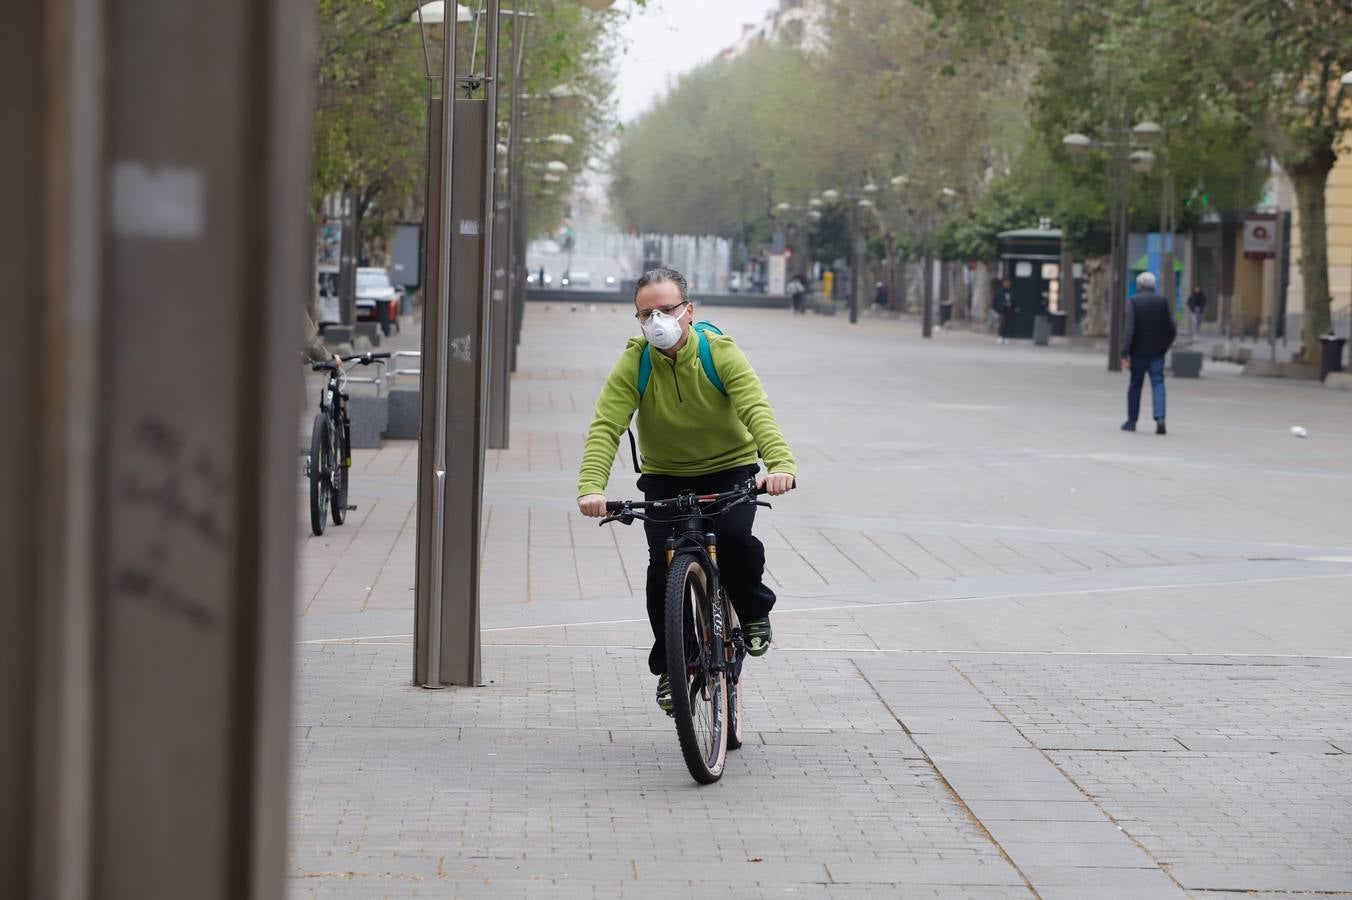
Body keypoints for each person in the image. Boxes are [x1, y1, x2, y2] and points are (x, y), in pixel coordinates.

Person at [577, 267, 797, 712]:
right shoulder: (636, 361)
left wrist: (780, 466)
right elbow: (607, 425)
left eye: (667, 309)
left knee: (736, 542)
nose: (657, 320)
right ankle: (671, 668)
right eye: (646, 313)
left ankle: (754, 611)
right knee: (662, 570)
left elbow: (757, 409)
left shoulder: (719, 353)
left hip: (729, 468)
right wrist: (590, 487)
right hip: (665, 475)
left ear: (689, 311)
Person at [1121, 270, 1177, 435]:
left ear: (1139, 285)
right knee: (1158, 383)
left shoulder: (1133, 302)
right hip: (1157, 353)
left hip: (1138, 353)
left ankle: (1132, 421)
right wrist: (1164, 346)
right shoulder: (1162, 302)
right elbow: (1171, 328)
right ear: (1154, 285)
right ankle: (1160, 417)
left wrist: (1124, 353)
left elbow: (1129, 329)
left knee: (1135, 385)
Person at [994, 278, 1017, 343]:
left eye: (1008, 283)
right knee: (1002, 323)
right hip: (1001, 310)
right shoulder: (999, 291)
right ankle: (1000, 336)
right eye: (1006, 283)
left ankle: (1006, 336)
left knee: (1008, 323)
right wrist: (997, 309)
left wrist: (1015, 307)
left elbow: (1014, 301)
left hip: (1009, 309)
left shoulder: (1011, 291)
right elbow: (996, 301)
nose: (1007, 284)